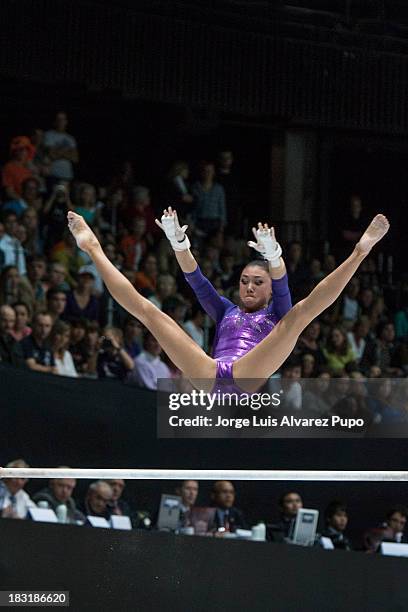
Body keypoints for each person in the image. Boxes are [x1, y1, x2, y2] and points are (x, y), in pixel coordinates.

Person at [66, 208, 390, 393]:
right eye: (244, 281)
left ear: (269, 289)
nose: (248, 287)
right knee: (150, 313)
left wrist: (274, 255)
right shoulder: (225, 311)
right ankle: (93, 247)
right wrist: (178, 243)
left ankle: (359, 251)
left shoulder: (278, 310)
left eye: (257, 282)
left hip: (249, 373)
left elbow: (283, 284)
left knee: (300, 314)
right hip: (210, 373)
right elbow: (196, 280)